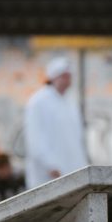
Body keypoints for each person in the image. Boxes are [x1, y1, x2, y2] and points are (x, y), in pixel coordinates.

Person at [24, 56, 88, 190]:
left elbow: (77, 140)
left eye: (68, 76)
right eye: (63, 76)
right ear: (53, 78)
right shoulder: (38, 102)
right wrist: (51, 165)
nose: (67, 80)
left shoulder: (70, 103)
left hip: (72, 173)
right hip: (48, 176)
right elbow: (35, 139)